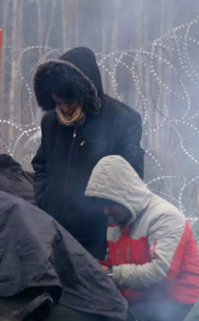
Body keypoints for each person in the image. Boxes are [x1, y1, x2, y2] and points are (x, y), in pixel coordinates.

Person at [32, 46, 145, 260]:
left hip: (99, 239)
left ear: (84, 94)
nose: (64, 109)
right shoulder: (50, 122)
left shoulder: (122, 120)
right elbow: (41, 165)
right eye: (58, 102)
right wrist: (45, 200)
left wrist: (103, 215)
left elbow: (132, 176)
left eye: (69, 101)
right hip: (54, 233)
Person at [85, 155, 199, 321]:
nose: (106, 211)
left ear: (124, 194)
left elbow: (161, 274)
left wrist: (110, 274)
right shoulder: (117, 221)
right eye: (102, 205)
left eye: (109, 203)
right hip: (145, 304)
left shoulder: (164, 217)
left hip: (184, 307)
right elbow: (113, 265)